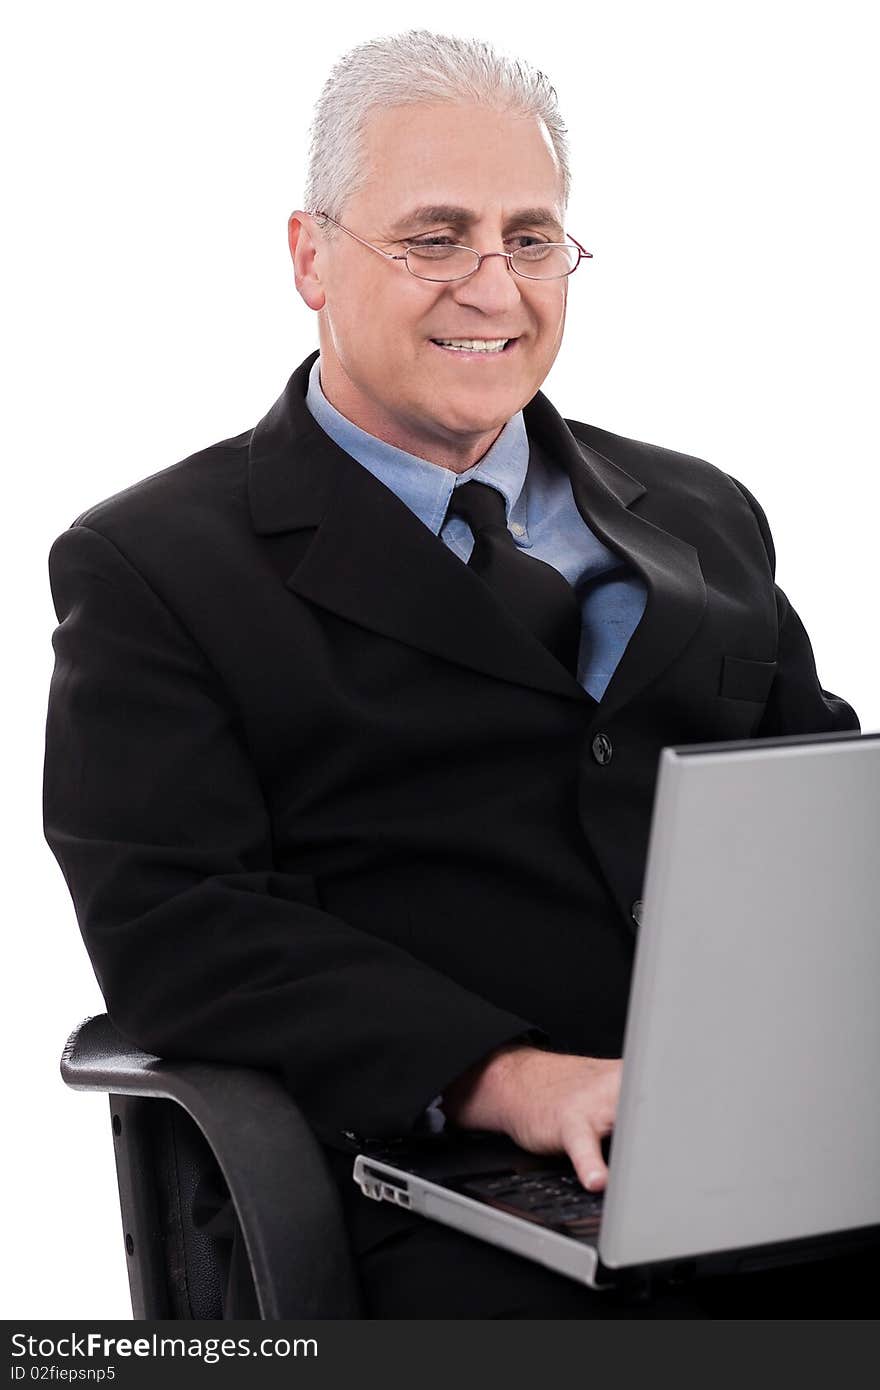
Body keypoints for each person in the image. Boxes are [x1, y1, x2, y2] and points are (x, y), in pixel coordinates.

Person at [43, 30, 868, 1318]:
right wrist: (508, 1077)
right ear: (311, 258)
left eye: (531, 239)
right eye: (435, 238)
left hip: (767, 1144)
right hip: (437, 1188)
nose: (494, 286)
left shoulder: (703, 512)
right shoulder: (151, 565)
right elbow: (178, 923)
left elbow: (820, 819)